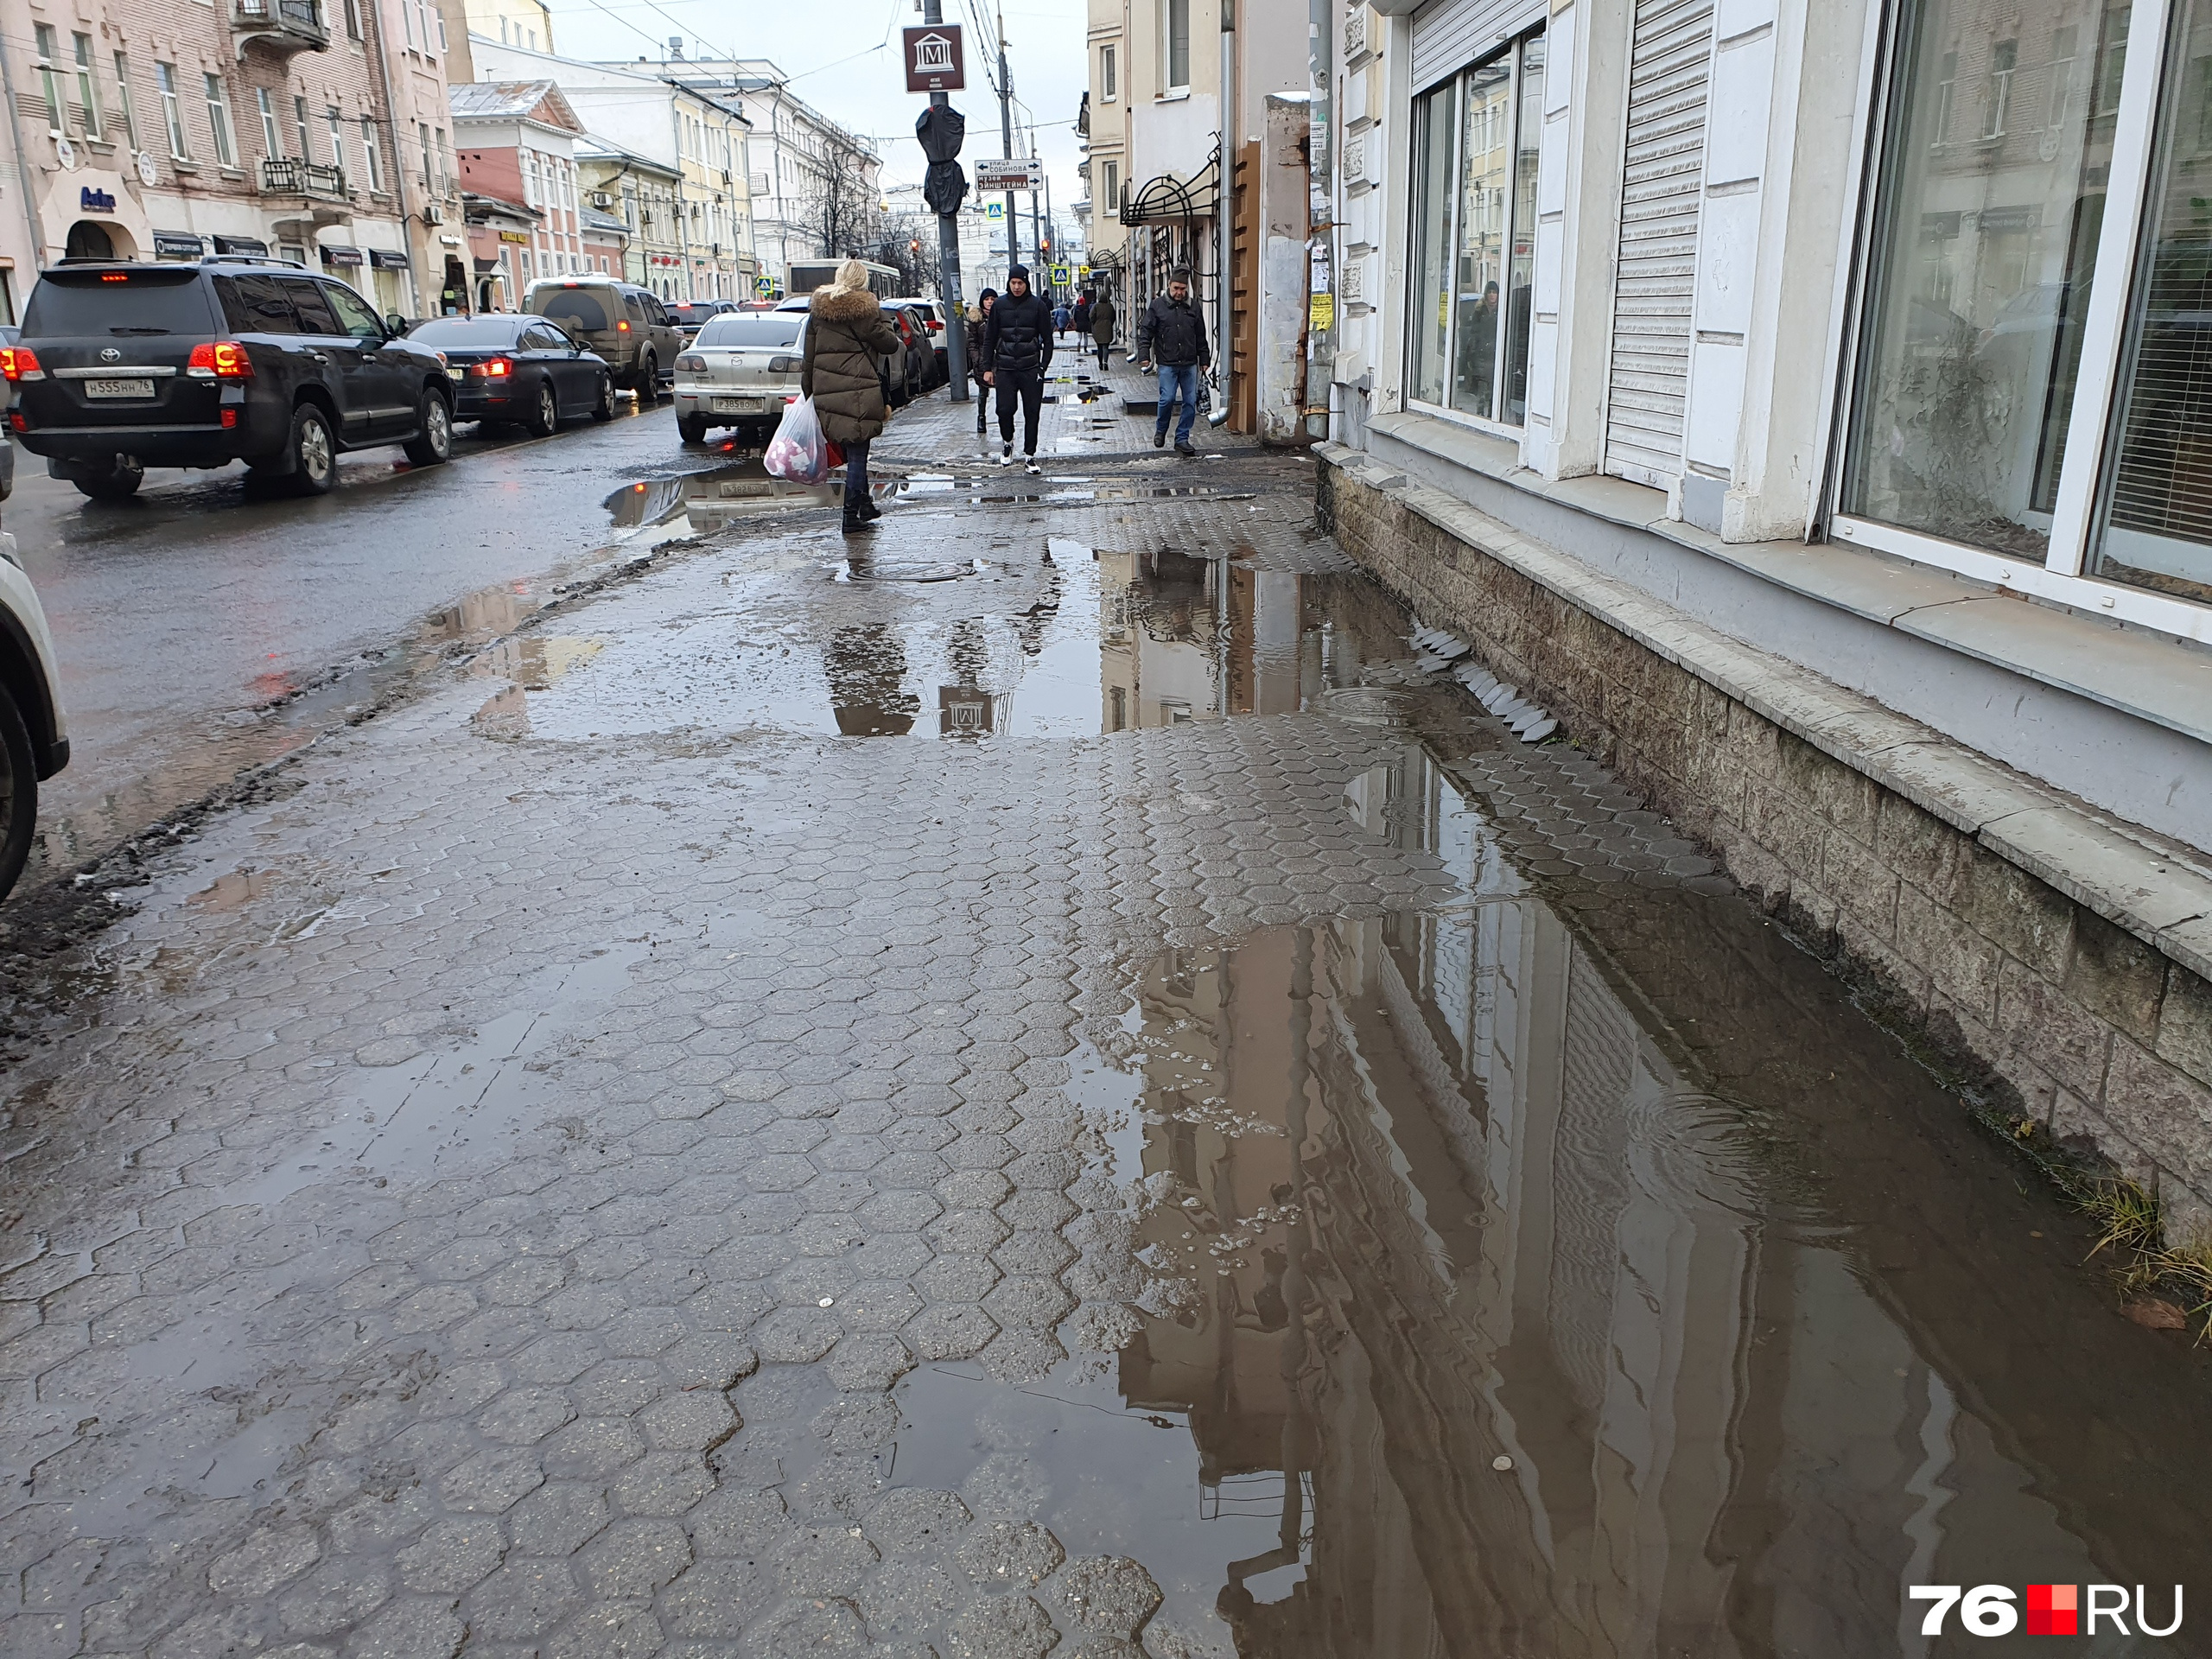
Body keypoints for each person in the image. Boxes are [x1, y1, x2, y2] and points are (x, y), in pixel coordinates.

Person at [803, 257, 906, 534]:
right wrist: (881, 314)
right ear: (863, 282)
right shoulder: (867, 311)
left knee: (853, 450)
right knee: (858, 453)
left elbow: (808, 357)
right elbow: (890, 345)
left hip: (826, 392)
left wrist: (808, 394)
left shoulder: (818, 312)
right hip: (859, 392)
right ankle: (850, 516)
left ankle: (865, 504)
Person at [982, 264, 1053, 472]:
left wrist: (1042, 368)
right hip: (1005, 367)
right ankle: (1007, 443)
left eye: (1020, 283)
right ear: (1009, 283)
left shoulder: (1037, 305)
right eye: (1013, 283)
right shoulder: (999, 305)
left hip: (1030, 367)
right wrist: (987, 367)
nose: (1016, 287)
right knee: (1004, 410)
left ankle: (1030, 456)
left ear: (1026, 283)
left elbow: (1048, 339)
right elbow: (990, 338)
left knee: (1032, 412)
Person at [1137, 268, 1210, 456]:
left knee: (1190, 401)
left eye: (1183, 289)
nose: (1179, 293)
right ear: (1169, 285)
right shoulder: (1157, 306)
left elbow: (1200, 335)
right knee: (1167, 398)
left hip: (1189, 363)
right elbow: (1146, 332)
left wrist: (1204, 358)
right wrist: (1144, 355)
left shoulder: (1193, 307)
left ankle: (1182, 438)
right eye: (1176, 288)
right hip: (1167, 363)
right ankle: (1161, 430)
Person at [965, 289, 997, 434]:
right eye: (987, 299)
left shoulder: (1001, 316)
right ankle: (981, 418)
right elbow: (972, 343)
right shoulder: (976, 320)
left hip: (1001, 360)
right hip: (983, 361)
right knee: (983, 392)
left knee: (1004, 392)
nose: (990, 302)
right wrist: (977, 360)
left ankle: (1004, 418)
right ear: (982, 301)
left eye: (992, 298)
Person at [1089, 289, 1116, 372]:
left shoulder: (1096, 306)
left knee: (1099, 347)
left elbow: (1091, 316)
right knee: (1106, 347)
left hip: (1097, 328)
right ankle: (1105, 362)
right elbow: (1113, 317)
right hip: (1107, 327)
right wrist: (1109, 323)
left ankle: (1100, 363)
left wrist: (1094, 323)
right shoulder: (1110, 306)